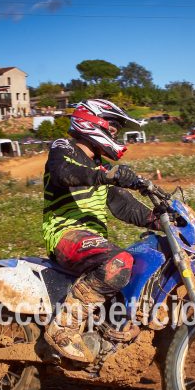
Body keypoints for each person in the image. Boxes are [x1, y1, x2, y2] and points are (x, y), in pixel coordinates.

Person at [42, 99, 158, 362]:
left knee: (139, 264)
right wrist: (105, 176)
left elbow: (124, 206)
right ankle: (63, 327)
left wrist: (161, 218)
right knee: (120, 261)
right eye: (113, 128)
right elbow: (62, 173)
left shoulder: (100, 168)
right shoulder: (64, 148)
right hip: (65, 234)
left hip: (91, 242)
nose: (115, 135)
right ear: (93, 122)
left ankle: (107, 337)